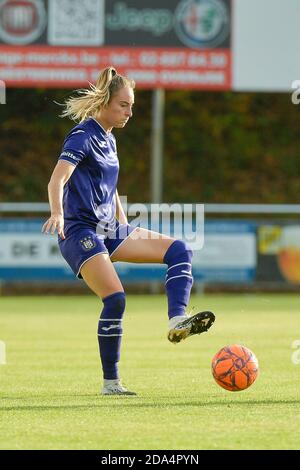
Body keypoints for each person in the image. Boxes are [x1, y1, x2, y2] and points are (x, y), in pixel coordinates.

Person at [42, 67, 215, 396]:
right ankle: (111, 383)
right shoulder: (83, 135)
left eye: (131, 105)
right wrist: (57, 213)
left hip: (109, 228)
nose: (129, 112)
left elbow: (110, 184)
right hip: (80, 231)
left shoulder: (109, 138)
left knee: (179, 249)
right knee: (116, 299)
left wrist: (123, 222)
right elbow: (57, 179)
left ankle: (176, 320)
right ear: (104, 103)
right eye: (124, 105)